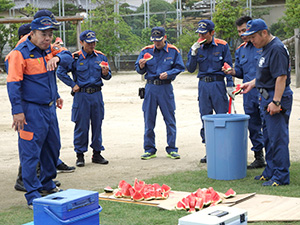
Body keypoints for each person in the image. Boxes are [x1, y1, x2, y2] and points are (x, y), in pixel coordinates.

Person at [5, 16, 72, 209]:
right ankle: (33, 194)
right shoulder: (20, 54)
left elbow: (68, 57)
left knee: (53, 148)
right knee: (30, 153)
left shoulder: (50, 50)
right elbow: (13, 84)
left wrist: (58, 58)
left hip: (49, 108)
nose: (48, 38)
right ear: (32, 33)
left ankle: (47, 185)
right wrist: (17, 111)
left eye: (50, 34)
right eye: (44, 34)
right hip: (30, 111)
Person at [241, 19, 293, 186]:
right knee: (269, 137)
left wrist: (276, 102)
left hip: (275, 97)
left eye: (253, 37)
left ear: (264, 32)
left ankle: (281, 176)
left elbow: (281, 77)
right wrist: (252, 83)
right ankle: (271, 170)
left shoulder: (276, 48)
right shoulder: (266, 47)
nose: (251, 40)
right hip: (266, 96)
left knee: (277, 138)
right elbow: (267, 74)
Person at [57, 30, 111, 167]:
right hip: (82, 95)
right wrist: (72, 84)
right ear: (81, 43)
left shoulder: (101, 57)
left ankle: (97, 153)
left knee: (97, 123)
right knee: (81, 125)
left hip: (97, 94)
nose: (92, 45)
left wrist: (106, 73)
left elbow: (108, 76)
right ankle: (80, 155)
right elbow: (60, 72)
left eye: (94, 42)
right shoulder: (75, 58)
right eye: (89, 43)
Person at [185, 19, 234, 163]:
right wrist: (193, 53)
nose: (201, 37)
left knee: (222, 118)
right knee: (205, 118)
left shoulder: (222, 45)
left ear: (212, 33)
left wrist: (230, 85)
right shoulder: (196, 47)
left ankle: (224, 151)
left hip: (218, 84)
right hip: (203, 86)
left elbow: (228, 66)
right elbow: (190, 68)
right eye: (199, 33)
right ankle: (209, 150)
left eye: (204, 34)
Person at [135, 27, 185, 160]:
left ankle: (172, 148)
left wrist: (169, 74)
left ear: (165, 38)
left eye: (159, 40)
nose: (157, 43)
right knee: (149, 119)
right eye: (154, 40)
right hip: (151, 88)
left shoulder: (173, 51)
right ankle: (149, 149)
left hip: (165, 88)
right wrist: (140, 66)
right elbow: (139, 70)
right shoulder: (145, 51)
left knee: (170, 119)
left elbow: (180, 67)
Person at [223, 16, 266, 169]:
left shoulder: (264, 46)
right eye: (239, 31)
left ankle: (274, 159)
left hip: (265, 92)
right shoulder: (241, 49)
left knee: (268, 126)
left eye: (244, 30)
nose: (242, 34)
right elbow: (240, 71)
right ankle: (259, 157)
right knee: (253, 126)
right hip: (249, 94)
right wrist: (231, 71)